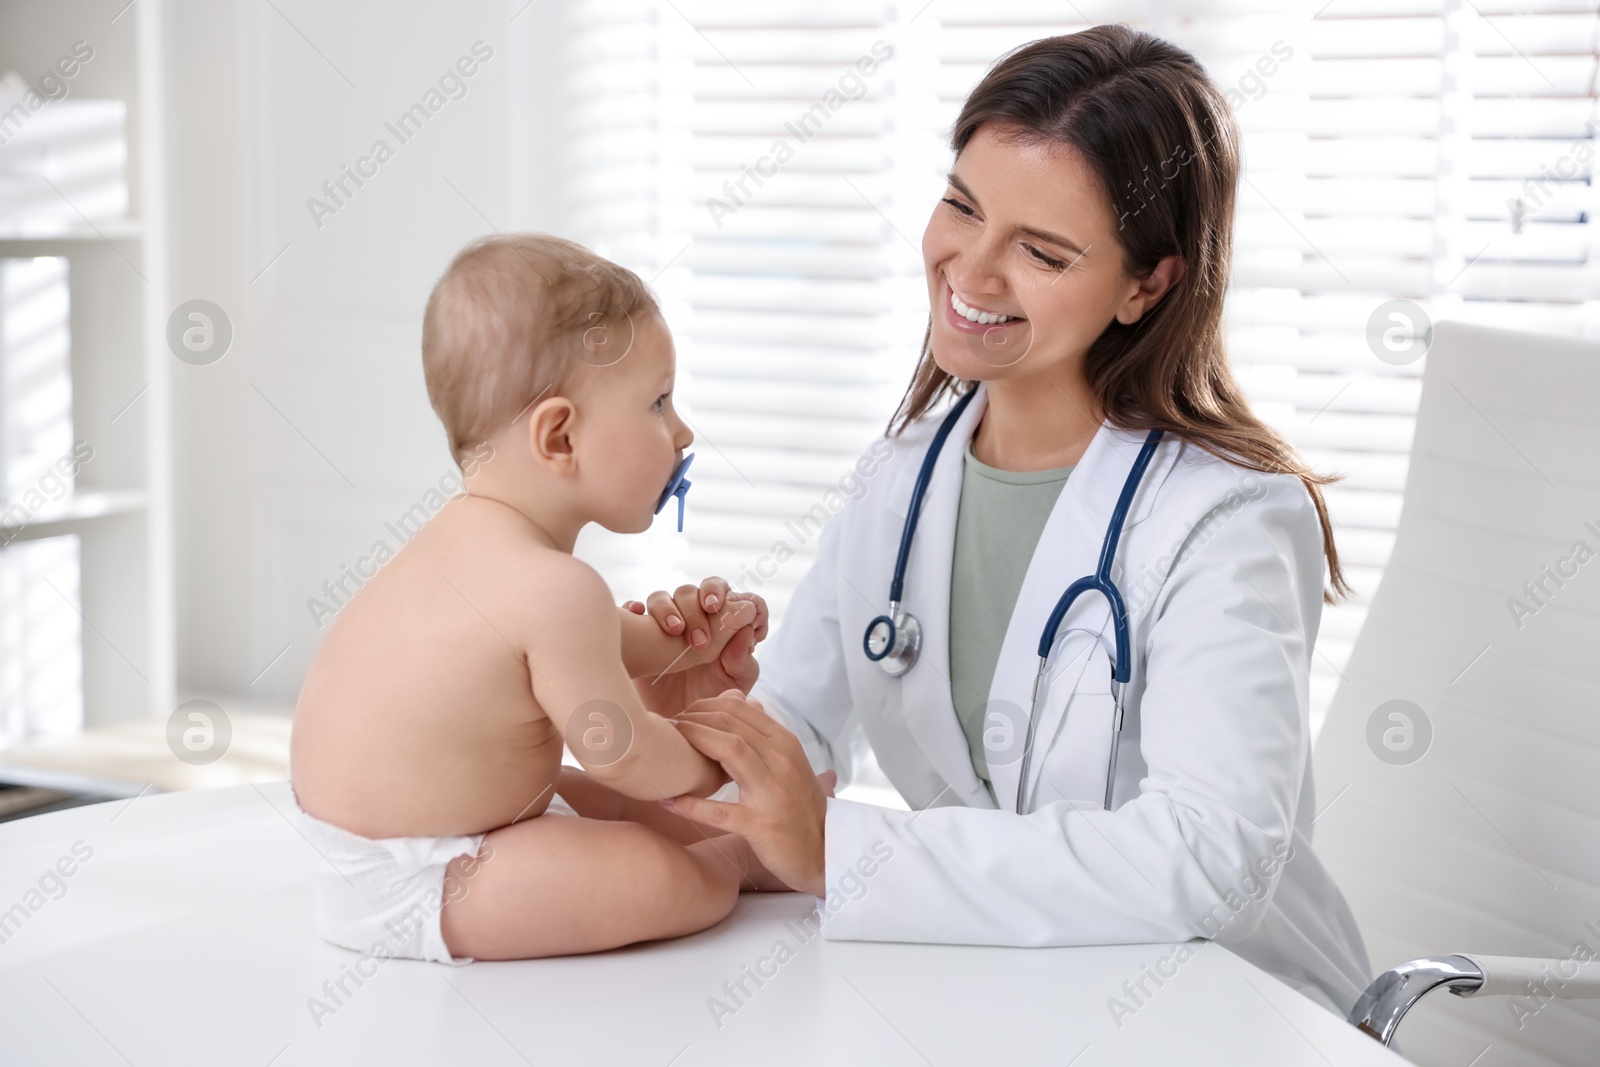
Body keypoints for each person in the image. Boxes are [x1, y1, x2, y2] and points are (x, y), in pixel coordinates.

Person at [628, 26, 1375, 1019]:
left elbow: (1217, 854)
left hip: (1221, 1004)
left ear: (1146, 285)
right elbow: (802, 725)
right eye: (961, 206)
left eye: (1041, 251)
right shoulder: (898, 482)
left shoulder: (1226, 516)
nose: (970, 273)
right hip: (1010, 992)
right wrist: (703, 716)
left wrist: (837, 850)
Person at [288, 233, 779, 964]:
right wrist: (729, 768)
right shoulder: (553, 587)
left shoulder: (468, 544)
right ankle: (734, 863)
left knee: (615, 810)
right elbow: (622, 752)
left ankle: (754, 833)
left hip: (431, 828)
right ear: (559, 436)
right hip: (423, 877)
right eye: (658, 401)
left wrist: (691, 637)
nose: (682, 431)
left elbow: (589, 645)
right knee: (657, 873)